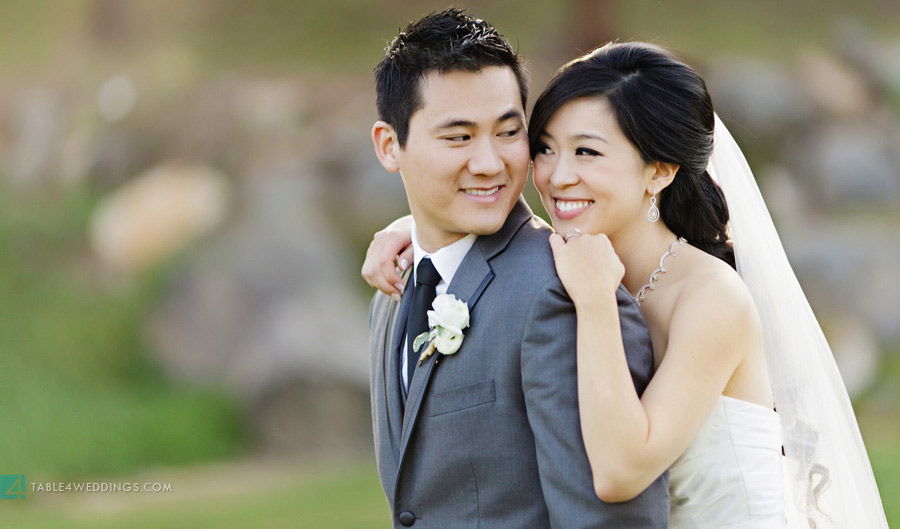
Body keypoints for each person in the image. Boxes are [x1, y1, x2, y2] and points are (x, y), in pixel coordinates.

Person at [364, 41, 888, 528]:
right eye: (545, 148)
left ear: (659, 170)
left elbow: (619, 471)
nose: (556, 176)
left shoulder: (711, 299)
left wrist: (594, 303)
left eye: (587, 153)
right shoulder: (577, 254)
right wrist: (414, 228)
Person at [365, 10, 669, 529]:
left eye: (508, 132)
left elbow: (611, 518)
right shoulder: (390, 291)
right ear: (390, 146)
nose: (489, 163)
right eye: (458, 138)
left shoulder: (559, 292)